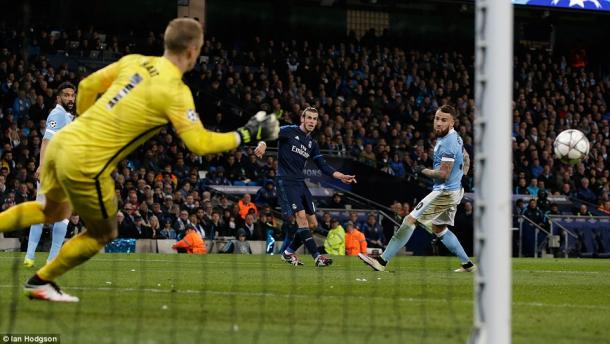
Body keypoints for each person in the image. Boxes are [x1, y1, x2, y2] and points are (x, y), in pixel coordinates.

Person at [0, 18, 279, 302]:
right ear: (194, 51)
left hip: (64, 144)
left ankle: (39, 279)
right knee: (103, 232)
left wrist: (85, 123)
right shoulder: (176, 92)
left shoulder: (134, 61)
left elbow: (86, 85)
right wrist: (246, 134)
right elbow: (200, 143)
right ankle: (40, 281)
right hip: (87, 161)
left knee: (53, 212)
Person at [359, 105, 476, 272]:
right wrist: (462, 175)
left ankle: (382, 261)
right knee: (439, 228)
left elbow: (443, 174)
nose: (438, 123)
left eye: (444, 120)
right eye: (437, 119)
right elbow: (466, 157)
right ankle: (468, 265)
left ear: (452, 123)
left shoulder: (449, 143)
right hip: (454, 190)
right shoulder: (455, 137)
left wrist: (422, 170)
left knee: (410, 220)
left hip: (445, 192)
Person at [255, 106, 356, 267]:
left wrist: (340, 176)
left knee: (313, 224)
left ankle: (288, 253)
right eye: (309, 118)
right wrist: (262, 144)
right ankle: (317, 257)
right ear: (302, 119)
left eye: (314, 119)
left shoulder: (312, 143)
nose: (311, 121)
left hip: (300, 183)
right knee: (301, 218)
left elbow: (323, 166)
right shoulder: (289, 131)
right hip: (286, 181)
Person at [24, 82, 76, 268]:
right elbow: (46, 141)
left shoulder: (67, 116)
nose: (70, 98)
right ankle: (50, 258)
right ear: (58, 98)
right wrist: (41, 166)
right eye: (66, 95)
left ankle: (30, 256)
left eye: (72, 95)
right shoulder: (57, 113)